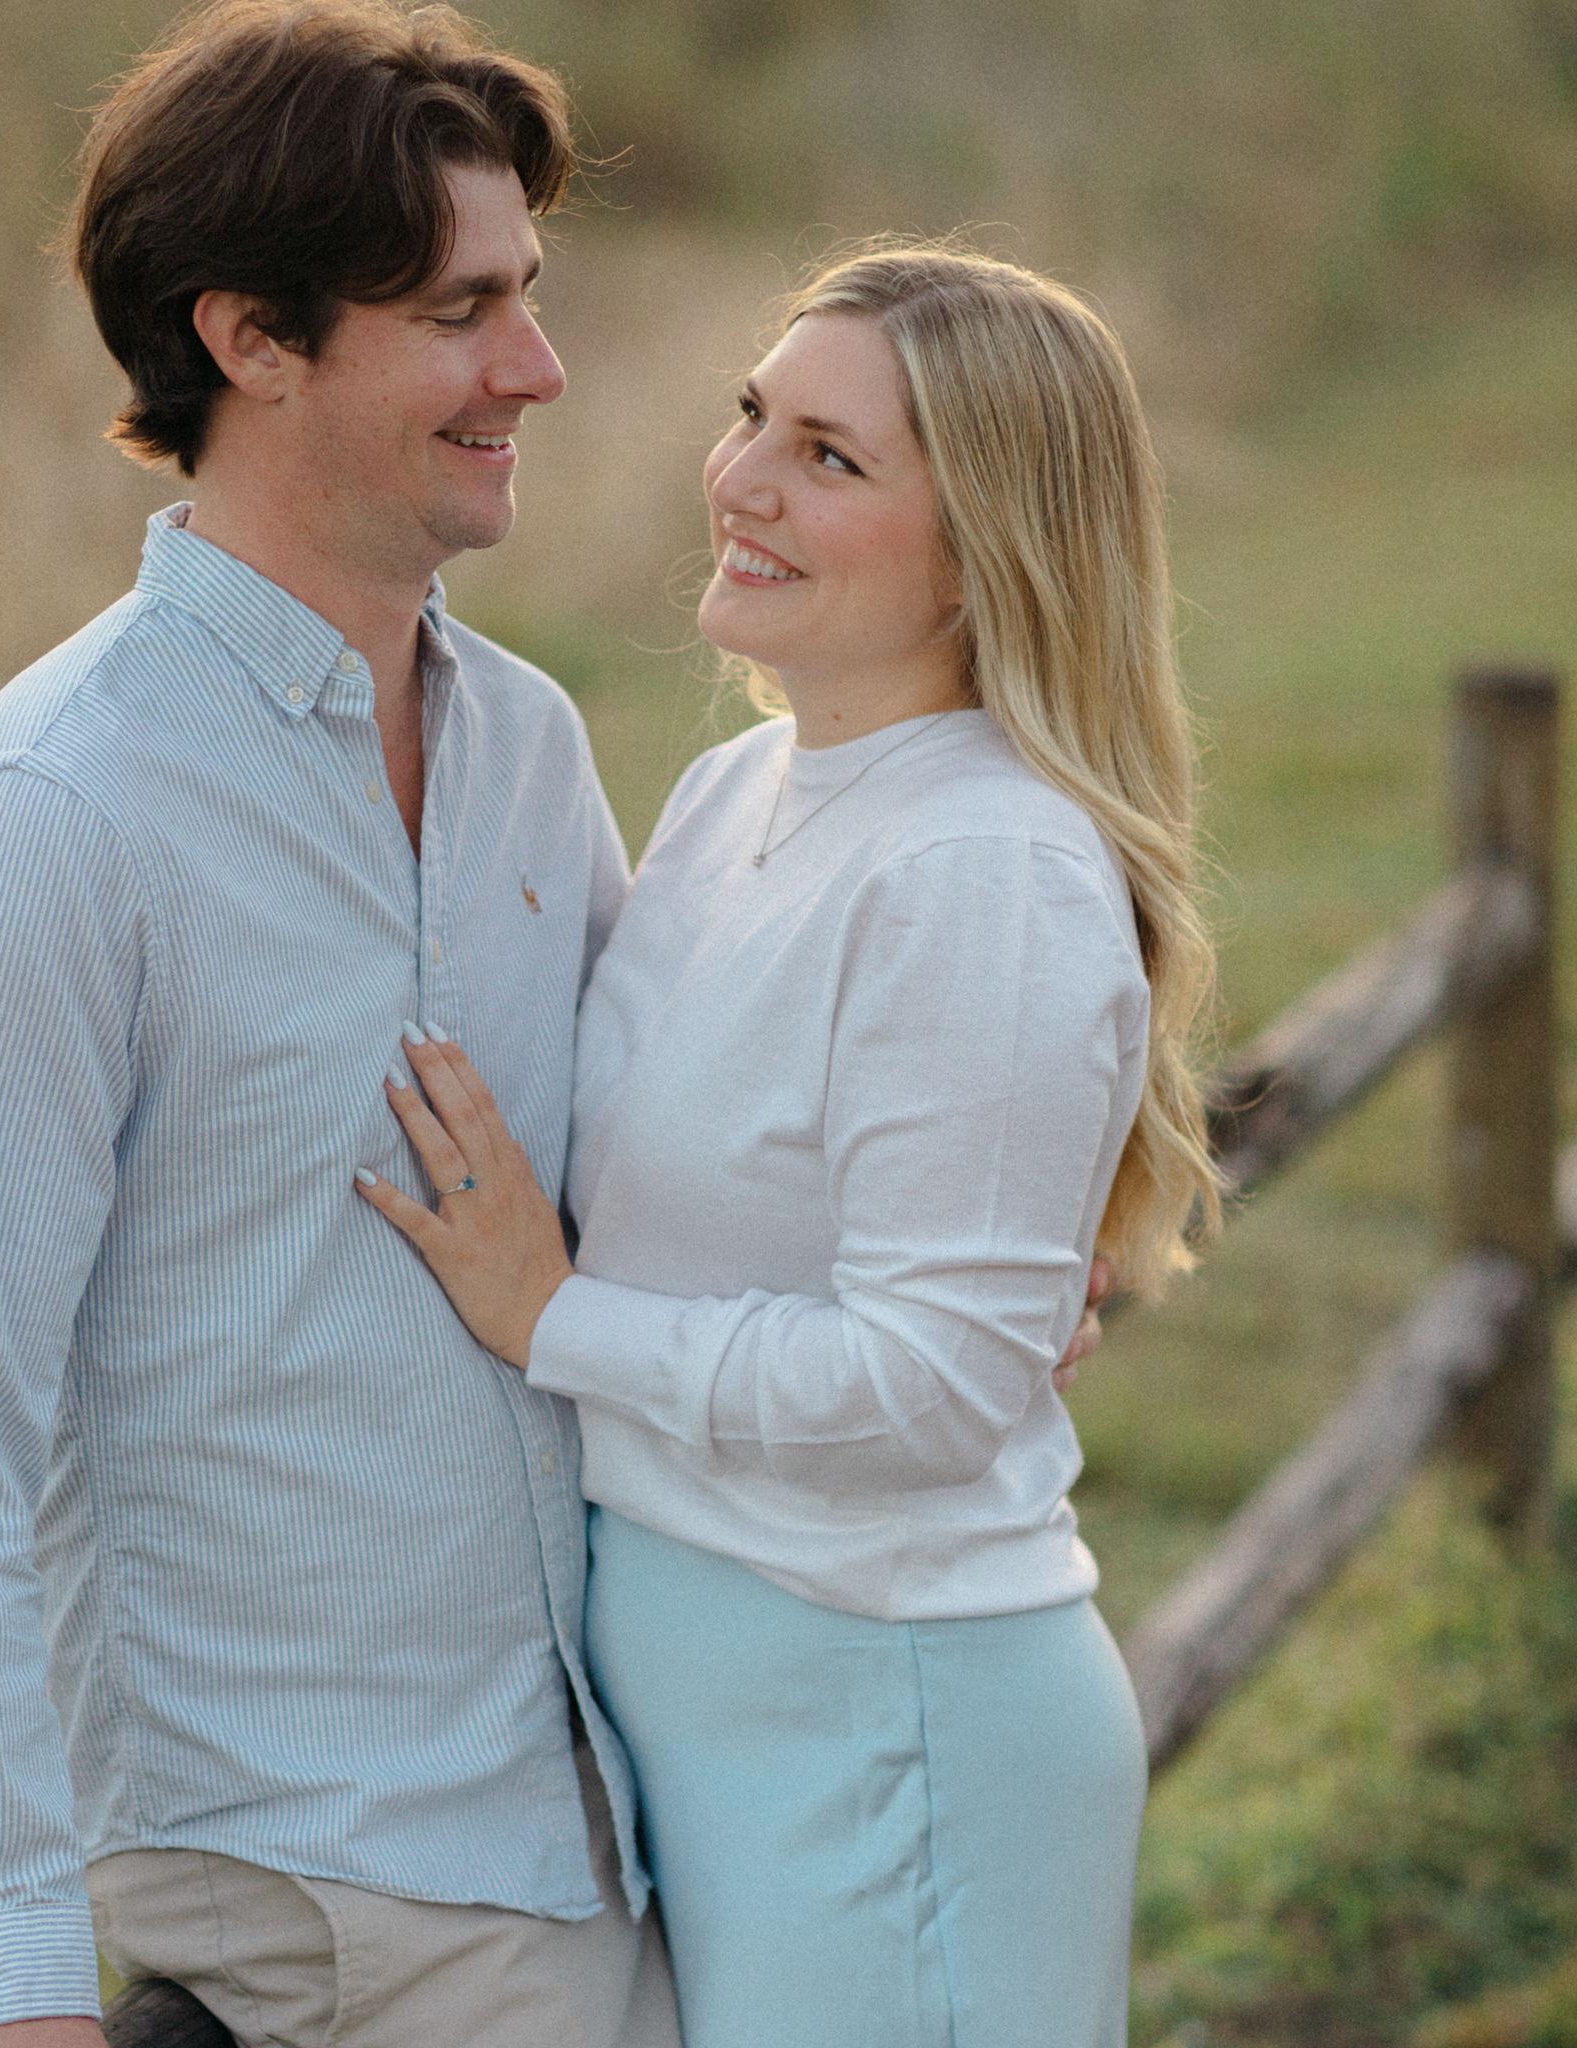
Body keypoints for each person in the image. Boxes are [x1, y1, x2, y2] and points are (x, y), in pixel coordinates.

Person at [0, 4, 1109, 2042]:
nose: (538, 365)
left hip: (601, 1803)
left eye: (527, 293)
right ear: (253, 338)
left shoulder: (525, 746)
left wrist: (988, 1267)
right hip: (335, 1857)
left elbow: (660, 1148)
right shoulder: (53, 822)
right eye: (462, 312)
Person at [358, 243, 1222, 2048]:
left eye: (830, 458)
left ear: (985, 550)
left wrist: (559, 1321)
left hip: (886, 1720)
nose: (742, 479)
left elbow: (933, 1386)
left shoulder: (982, 867)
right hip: (732, 1711)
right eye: (756, 417)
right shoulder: (738, 790)